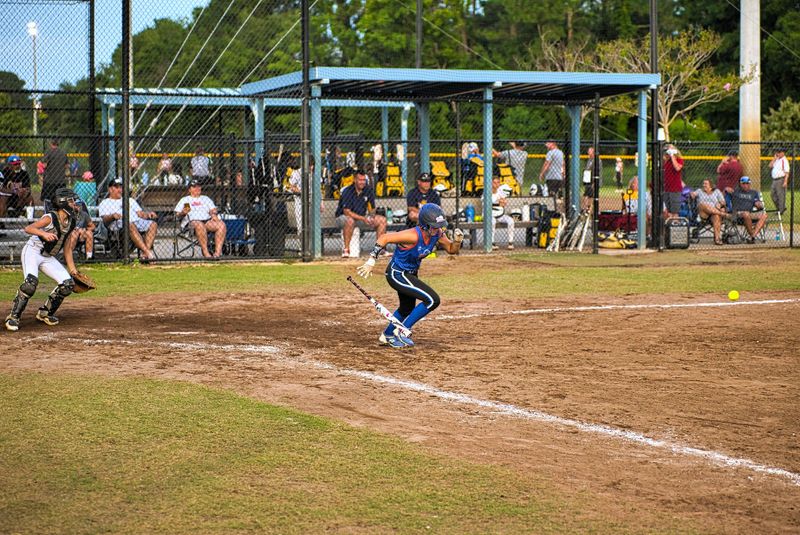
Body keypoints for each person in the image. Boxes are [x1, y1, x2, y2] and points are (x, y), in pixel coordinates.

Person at [356, 203, 464, 348]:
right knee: (432, 300)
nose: (438, 229)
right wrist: (371, 260)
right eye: (434, 226)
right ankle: (400, 332)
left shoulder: (436, 234)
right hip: (397, 274)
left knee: (406, 308)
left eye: (439, 226)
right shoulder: (413, 235)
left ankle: (388, 335)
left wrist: (457, 241)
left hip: (410, 274)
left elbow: (452, 249)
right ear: (425, 225)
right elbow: (384, 238)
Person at [4, 188, 80, 332]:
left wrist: (73, 271)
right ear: (62, 203)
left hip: (47, 257)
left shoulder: (71, 221)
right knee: (30, 284)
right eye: (71, 201)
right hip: (32, 251)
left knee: (67, 284)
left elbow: (68, 248)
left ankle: (45, 313)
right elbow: (29, 228)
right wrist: (43, 234)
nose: (74, 204)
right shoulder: (50, 217)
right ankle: (13, 317)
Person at [100, 179, 159, 260]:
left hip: (137, 222)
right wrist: (112, 216)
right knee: (129, 224)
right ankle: (148, 253)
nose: (120, 189)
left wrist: (148, 214)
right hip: (119, 225)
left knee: (153, 224)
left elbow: (140, 214)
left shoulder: (130, 200)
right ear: (110, 189)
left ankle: (145, 253)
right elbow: (105, 220)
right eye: (117, 187)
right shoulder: (105, 202)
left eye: (121, 187)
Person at [335, 169, 386, 257]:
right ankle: (346, 250)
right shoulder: (347, 191)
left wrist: (372, 216)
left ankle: (379, 250)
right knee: (350, 220)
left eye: (364, 180)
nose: (362, 182)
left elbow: (371, 209)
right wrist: (364, 218)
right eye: (360, 180)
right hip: (343, 218)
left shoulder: (368, 190)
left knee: (382, 220)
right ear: (355, 180)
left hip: (360, 218)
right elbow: (347, 212)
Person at [174, 179, 226, 258]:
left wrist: (213, 214)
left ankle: (217, 253)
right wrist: (183, 213)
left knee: (221, 225)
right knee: (199, 224)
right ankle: (206, 253)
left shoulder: (205, 198)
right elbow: (176, 214)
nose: (197, 188)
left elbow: (213, 209)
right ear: (189, 189)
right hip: (191, 223)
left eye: (198, 186)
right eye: (194, 187)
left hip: (207, 221)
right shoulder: (185, 200)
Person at [730, 176, 768, 243]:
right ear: (740, 184)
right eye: (743, 183)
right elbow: (724, 195)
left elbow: (757, 202)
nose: (745, 185)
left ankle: (753, 236)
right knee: (746, 214)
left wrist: (759, 204)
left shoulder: (754, 193)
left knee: (764, 215)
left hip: (750, 213)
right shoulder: (735, 191)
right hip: (738, 213)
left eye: (747, 183)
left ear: (750, 184)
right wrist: (725, 190)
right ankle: (752, 235)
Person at [690, 179, 728, 245]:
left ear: (711, 185)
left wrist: (720, 204)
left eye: (706, 184)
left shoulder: (717, 191)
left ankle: (717, 239)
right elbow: (693, 194)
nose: (703, 185)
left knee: (716, 216)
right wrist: (692, 193)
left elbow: (723, 202)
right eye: (703, 183)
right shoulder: (699, 191)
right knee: (702, 205)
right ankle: (723, 214)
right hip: (703, 214)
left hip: (714, 213)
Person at [490, 175, 515, 250]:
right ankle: (491, 242)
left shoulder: (501, 191)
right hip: (489, 214)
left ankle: (510, 242)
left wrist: (500, 201)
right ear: (490, 184)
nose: (496, 185)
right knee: (492, 222)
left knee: (511, 221)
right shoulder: (486, 192)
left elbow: (503, 203)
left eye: (498, 183)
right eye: (494, 183)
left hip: (500, 214)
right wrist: (499, 201)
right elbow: (488, 204)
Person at [41, 139, 69, 204]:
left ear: (51, 143)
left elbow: (44, 165)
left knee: (48, 200)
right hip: (61, 181)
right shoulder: (63, 152)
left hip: (49, 181)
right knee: (61, 200)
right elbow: (67, 165)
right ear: (58, 143)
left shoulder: (48, 152)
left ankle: (49, 212)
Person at [662, 144, 684, 218]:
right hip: (666, 188)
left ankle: (674, 226)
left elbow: (677, 168)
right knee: (668, 211)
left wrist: (672, 156)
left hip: (675, 189)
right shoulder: (666, 161)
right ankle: (668, 227)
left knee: (674, 211)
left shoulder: (679, 160)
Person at [769, 148, 790, 214]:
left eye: (779, 152)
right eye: (777, 152)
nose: (777, 153)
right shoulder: (777, 159)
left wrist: (785, 181)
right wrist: (774, 159)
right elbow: (770, 166)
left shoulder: (784, 160)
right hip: (774, 180)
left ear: (783, 153)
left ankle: (780, 211)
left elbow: (787, 172)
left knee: (780, 196)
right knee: (772, 194)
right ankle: (781, 208)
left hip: (781, 179)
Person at [581, 146, 602, 212]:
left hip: (593, 180)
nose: (588, 152)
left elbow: (596, 171)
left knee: (591, 195)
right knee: (586, 195)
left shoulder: (597, 160)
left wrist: (594, 182)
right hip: (588, 180)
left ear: (593, 152)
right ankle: (587, 208)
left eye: (589, 151)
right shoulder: (589, 159)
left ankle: (590, 209)